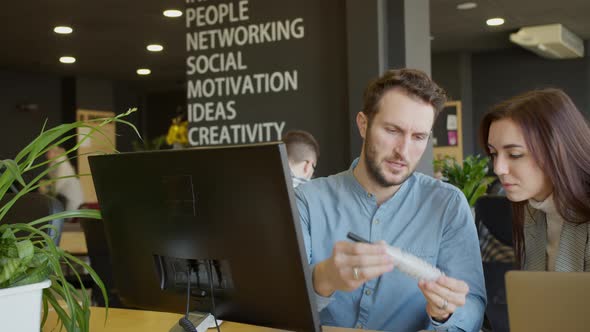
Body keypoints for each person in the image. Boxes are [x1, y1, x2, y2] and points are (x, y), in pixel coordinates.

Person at [295, 69, 486, 332]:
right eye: (393, 130)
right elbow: (281, 307)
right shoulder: (307, 200)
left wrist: (445, 315)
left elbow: (473, 308)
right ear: (363, 124)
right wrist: (323, 278)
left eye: (418, 137)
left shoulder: (447, 205)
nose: (403, 151)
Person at [479, 88, 590, 271]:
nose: (498, 168)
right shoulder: (532, 210)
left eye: (514, 154)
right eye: (493, 154)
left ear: (558, 151)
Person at [40, 146, 85, 212]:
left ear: (55, 153)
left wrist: (48, 193)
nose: (46, 155)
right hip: (65, 195)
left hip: (70, 196)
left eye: (48, 152)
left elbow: (59, 182)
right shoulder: (56, 163)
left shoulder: (62, 163)